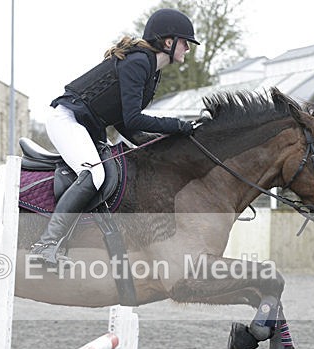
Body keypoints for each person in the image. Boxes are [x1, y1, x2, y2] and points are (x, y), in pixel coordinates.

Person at [28, 8, 200, 267]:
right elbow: (132, 120)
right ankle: (46, 244)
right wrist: (176, 126)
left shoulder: (152, 71)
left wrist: (159, 145)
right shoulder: (139, 62)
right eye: (185, 42)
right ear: (169, 42)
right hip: (67, 119)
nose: (187, 48)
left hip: (87, 125)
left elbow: (124, 124)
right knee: (95, 174)